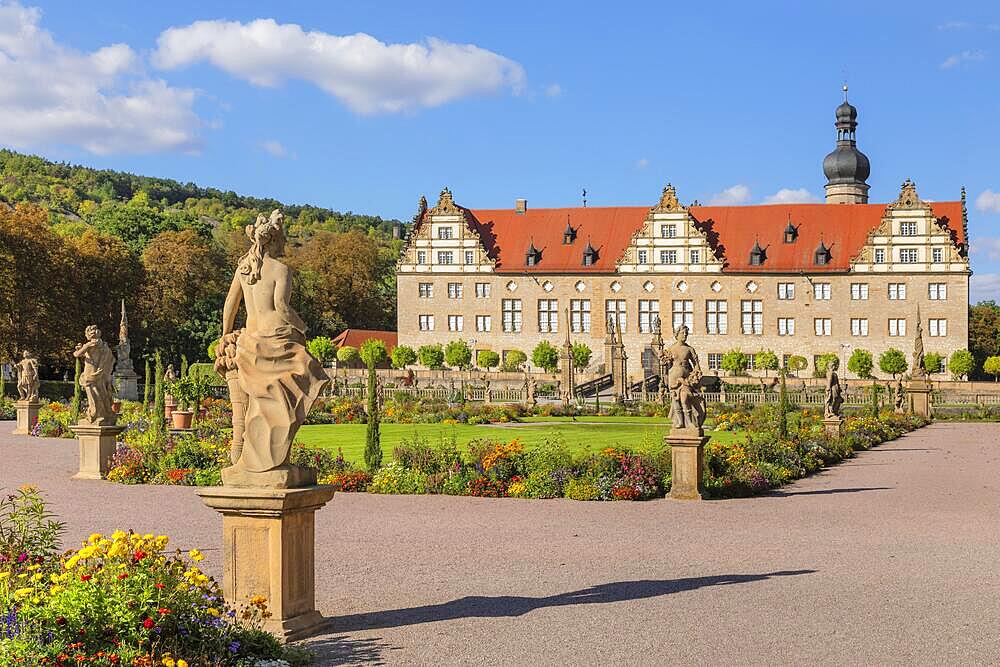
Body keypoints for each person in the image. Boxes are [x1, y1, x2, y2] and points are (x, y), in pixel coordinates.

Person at [218, 210, 328, 484]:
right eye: (283, 240)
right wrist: (302, 326)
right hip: (275, 340)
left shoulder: (243, 268)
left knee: (264, 401)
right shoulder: (281, 270)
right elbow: (281, 307)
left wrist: (226, 335)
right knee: (309, 374)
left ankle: (262, 462)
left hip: (249, 342)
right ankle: (267, 462)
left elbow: (230, 305)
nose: (285, 246)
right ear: (275, 241)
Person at [663, 325, 706, 430]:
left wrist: (696, 373)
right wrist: (664, 361)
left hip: (686, 378)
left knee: (685, 399)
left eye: (686, 333)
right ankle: (680, 423)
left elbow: (696, 364)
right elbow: (666, 364)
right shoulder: (671, 349)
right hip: (673, 377)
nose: (685, 335)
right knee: (676, 400)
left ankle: (689, 422)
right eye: (683, 333)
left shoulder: (689, 349)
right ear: (677, 335)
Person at [73, 326, 116, 425]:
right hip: (100, 373)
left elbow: (76, 354)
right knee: (101, 393)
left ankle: (95, 415)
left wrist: (81, 349)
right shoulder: (103, 345)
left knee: (92, 395)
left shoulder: (89, 345)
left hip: (90, 372)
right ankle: (105, 414)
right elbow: (107, 358)